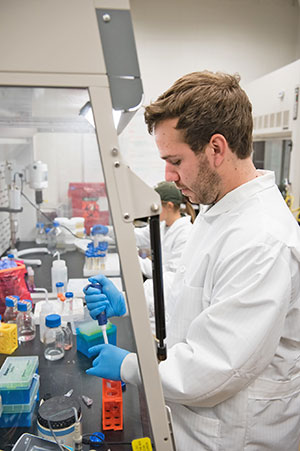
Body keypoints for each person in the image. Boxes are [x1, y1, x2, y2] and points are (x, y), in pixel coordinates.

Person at [84, 71, 300, 450]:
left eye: (175, 160)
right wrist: (133, 299)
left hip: (235, 436)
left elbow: (216, 367)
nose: (168, 176)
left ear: (216, 149)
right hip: (199, 423)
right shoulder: (218, 210)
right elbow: (194, 290)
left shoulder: (262, 239)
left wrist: (130, 367)